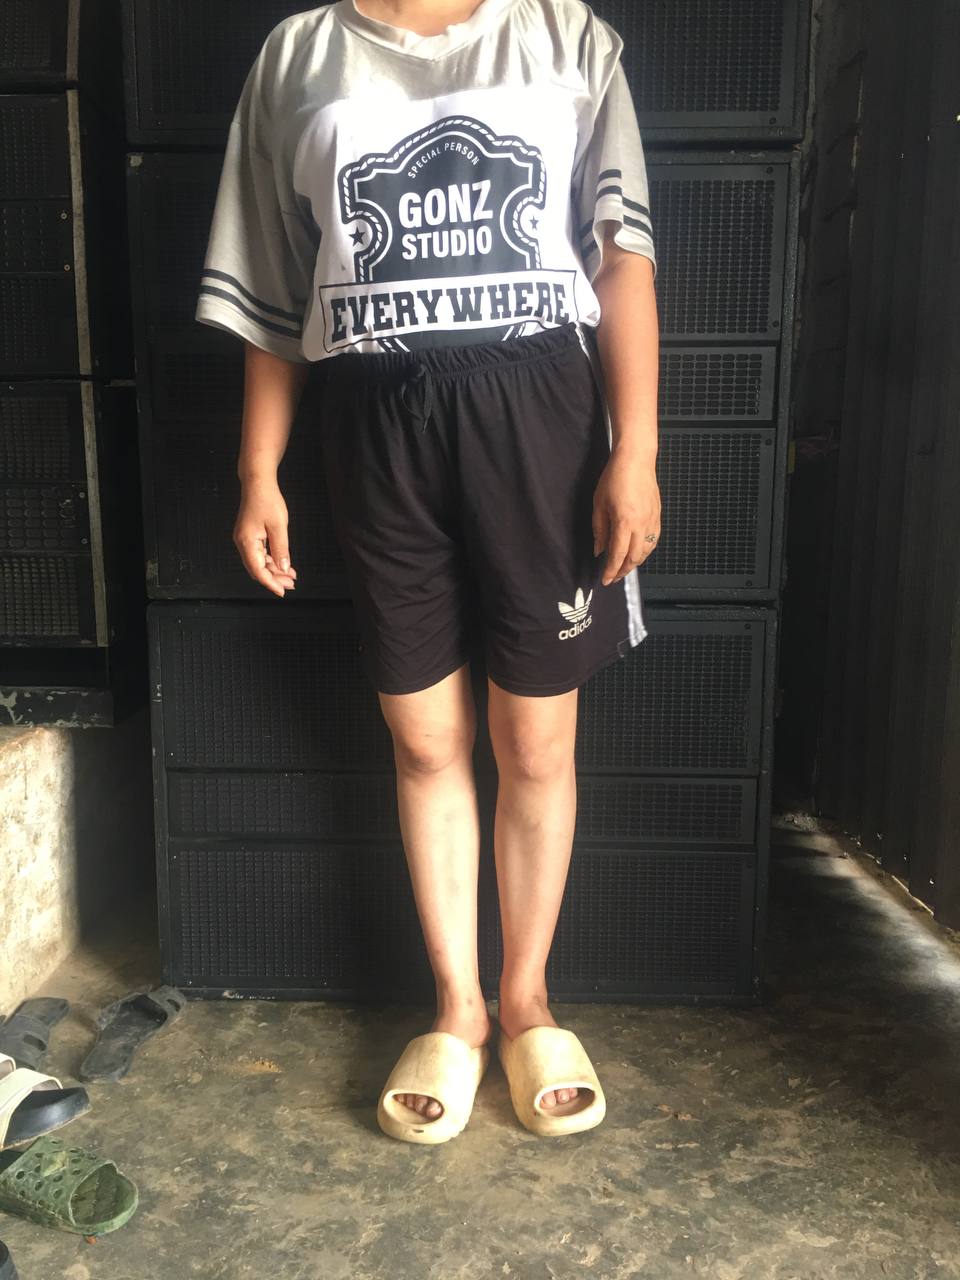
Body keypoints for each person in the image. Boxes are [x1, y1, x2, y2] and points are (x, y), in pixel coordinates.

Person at [195, 0, 661, 1142]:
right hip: (375, 420)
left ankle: (527, 998)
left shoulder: (565, 36)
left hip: (538, 412)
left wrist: (638, 451)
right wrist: (259, 470)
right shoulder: (297, 56)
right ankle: (458, 1006)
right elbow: (273, 294)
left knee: (535, 741)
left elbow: (621, 257)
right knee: (423, 738)